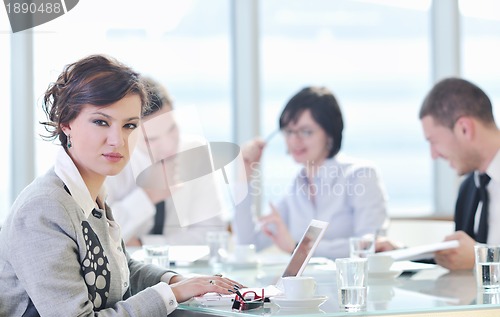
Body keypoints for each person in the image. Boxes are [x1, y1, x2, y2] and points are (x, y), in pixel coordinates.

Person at [0, 55, 241, 317]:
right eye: (101, 122)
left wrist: (176, 282)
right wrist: (169, 295)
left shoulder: (90, 194)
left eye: (130, 125)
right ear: (66, 123)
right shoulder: (44, 208)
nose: (118, 141)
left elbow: (119, 269)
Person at [232, 86, 388, 259]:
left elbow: (372, 246)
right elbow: (248, 244)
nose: (294, 140)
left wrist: (298, 248)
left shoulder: (360, 175)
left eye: (306, 132)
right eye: (289, 131)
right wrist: (244, 176)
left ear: (329, 134)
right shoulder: (296, 188)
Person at [378, 78, 500, 271]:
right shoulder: (470, 188)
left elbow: (472, 258)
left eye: (433, 141)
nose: (434, 155)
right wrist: (402, 253)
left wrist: (481, 259)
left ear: (464, 129)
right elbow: (463, 259)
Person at [105, 77, 227, 247]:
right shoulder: (109, 162)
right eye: (151, 139)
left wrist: (144, 244)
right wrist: (148, 196)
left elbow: (213, 235)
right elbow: (101, 235)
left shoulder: (194, 152)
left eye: (172, 129)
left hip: (180, 270)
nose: (169, 146)